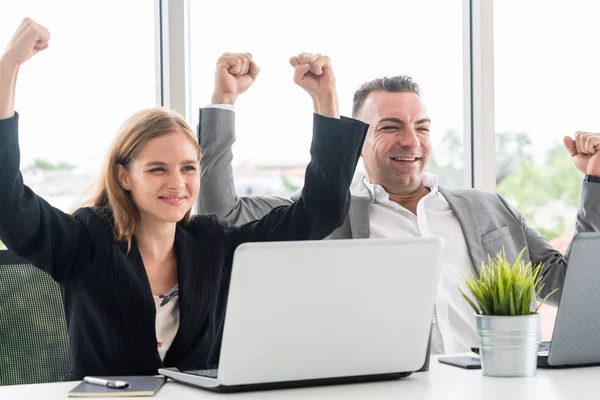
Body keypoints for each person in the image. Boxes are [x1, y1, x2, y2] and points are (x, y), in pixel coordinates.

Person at [0, 20, 368, 379]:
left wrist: (325, 99)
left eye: (189, 168)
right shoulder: (84, 241)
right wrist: (9, 66)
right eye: (158, 169)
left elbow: (318, 213)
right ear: (123, 176)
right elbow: (9, 202)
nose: (177, 183)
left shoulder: (213, 243)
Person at [196, 53, 600, 355]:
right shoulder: (322, 215)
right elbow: (221, 215)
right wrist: (223, 101)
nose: (412, 141)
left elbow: (573, 286)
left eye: (421, 127)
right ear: (356, 144)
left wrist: (596, 181)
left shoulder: (489, 207)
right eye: (391, 127)